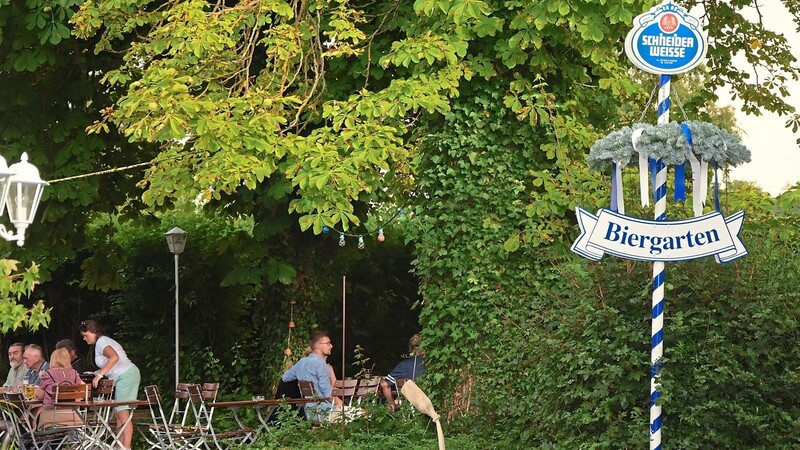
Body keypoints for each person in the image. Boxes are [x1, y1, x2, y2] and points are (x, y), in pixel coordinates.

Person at [80, 319, 141, 450]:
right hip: (123, 375)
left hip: (126, 375)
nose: (84, 338)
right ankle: (119, 446)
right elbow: (110, 364)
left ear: (94, 332)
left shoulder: (102, 341)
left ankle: (126, 447)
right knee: (119, 412)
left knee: (123, 413)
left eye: (86, 335)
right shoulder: (101, 342)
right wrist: (95, 372)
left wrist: (100, 375)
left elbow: (114, 357)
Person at [281, 331, 342, 420]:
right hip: (325, 412)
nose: (331, 346)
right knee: (362, 414)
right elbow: (328, 395)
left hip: (308, 412)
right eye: (328, 343)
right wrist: (343, 406)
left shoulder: (301, 362)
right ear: (318, 346)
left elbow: (285, 378)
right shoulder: (321, 364)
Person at [34, 348, 84, 430]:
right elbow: (84, 388)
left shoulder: (48, 374)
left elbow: (39, 396)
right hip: (73, 416)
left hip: (52, 418)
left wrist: (41, 379)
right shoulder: (74, 373)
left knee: (35, 415)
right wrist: (77, 397)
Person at [381, 334, 425, 411]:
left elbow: (385, 385)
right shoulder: (433, 363)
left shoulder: (403, 366)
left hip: (413, 404)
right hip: (433, 401)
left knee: (395, 402)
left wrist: (392, 404)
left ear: (411, 349)